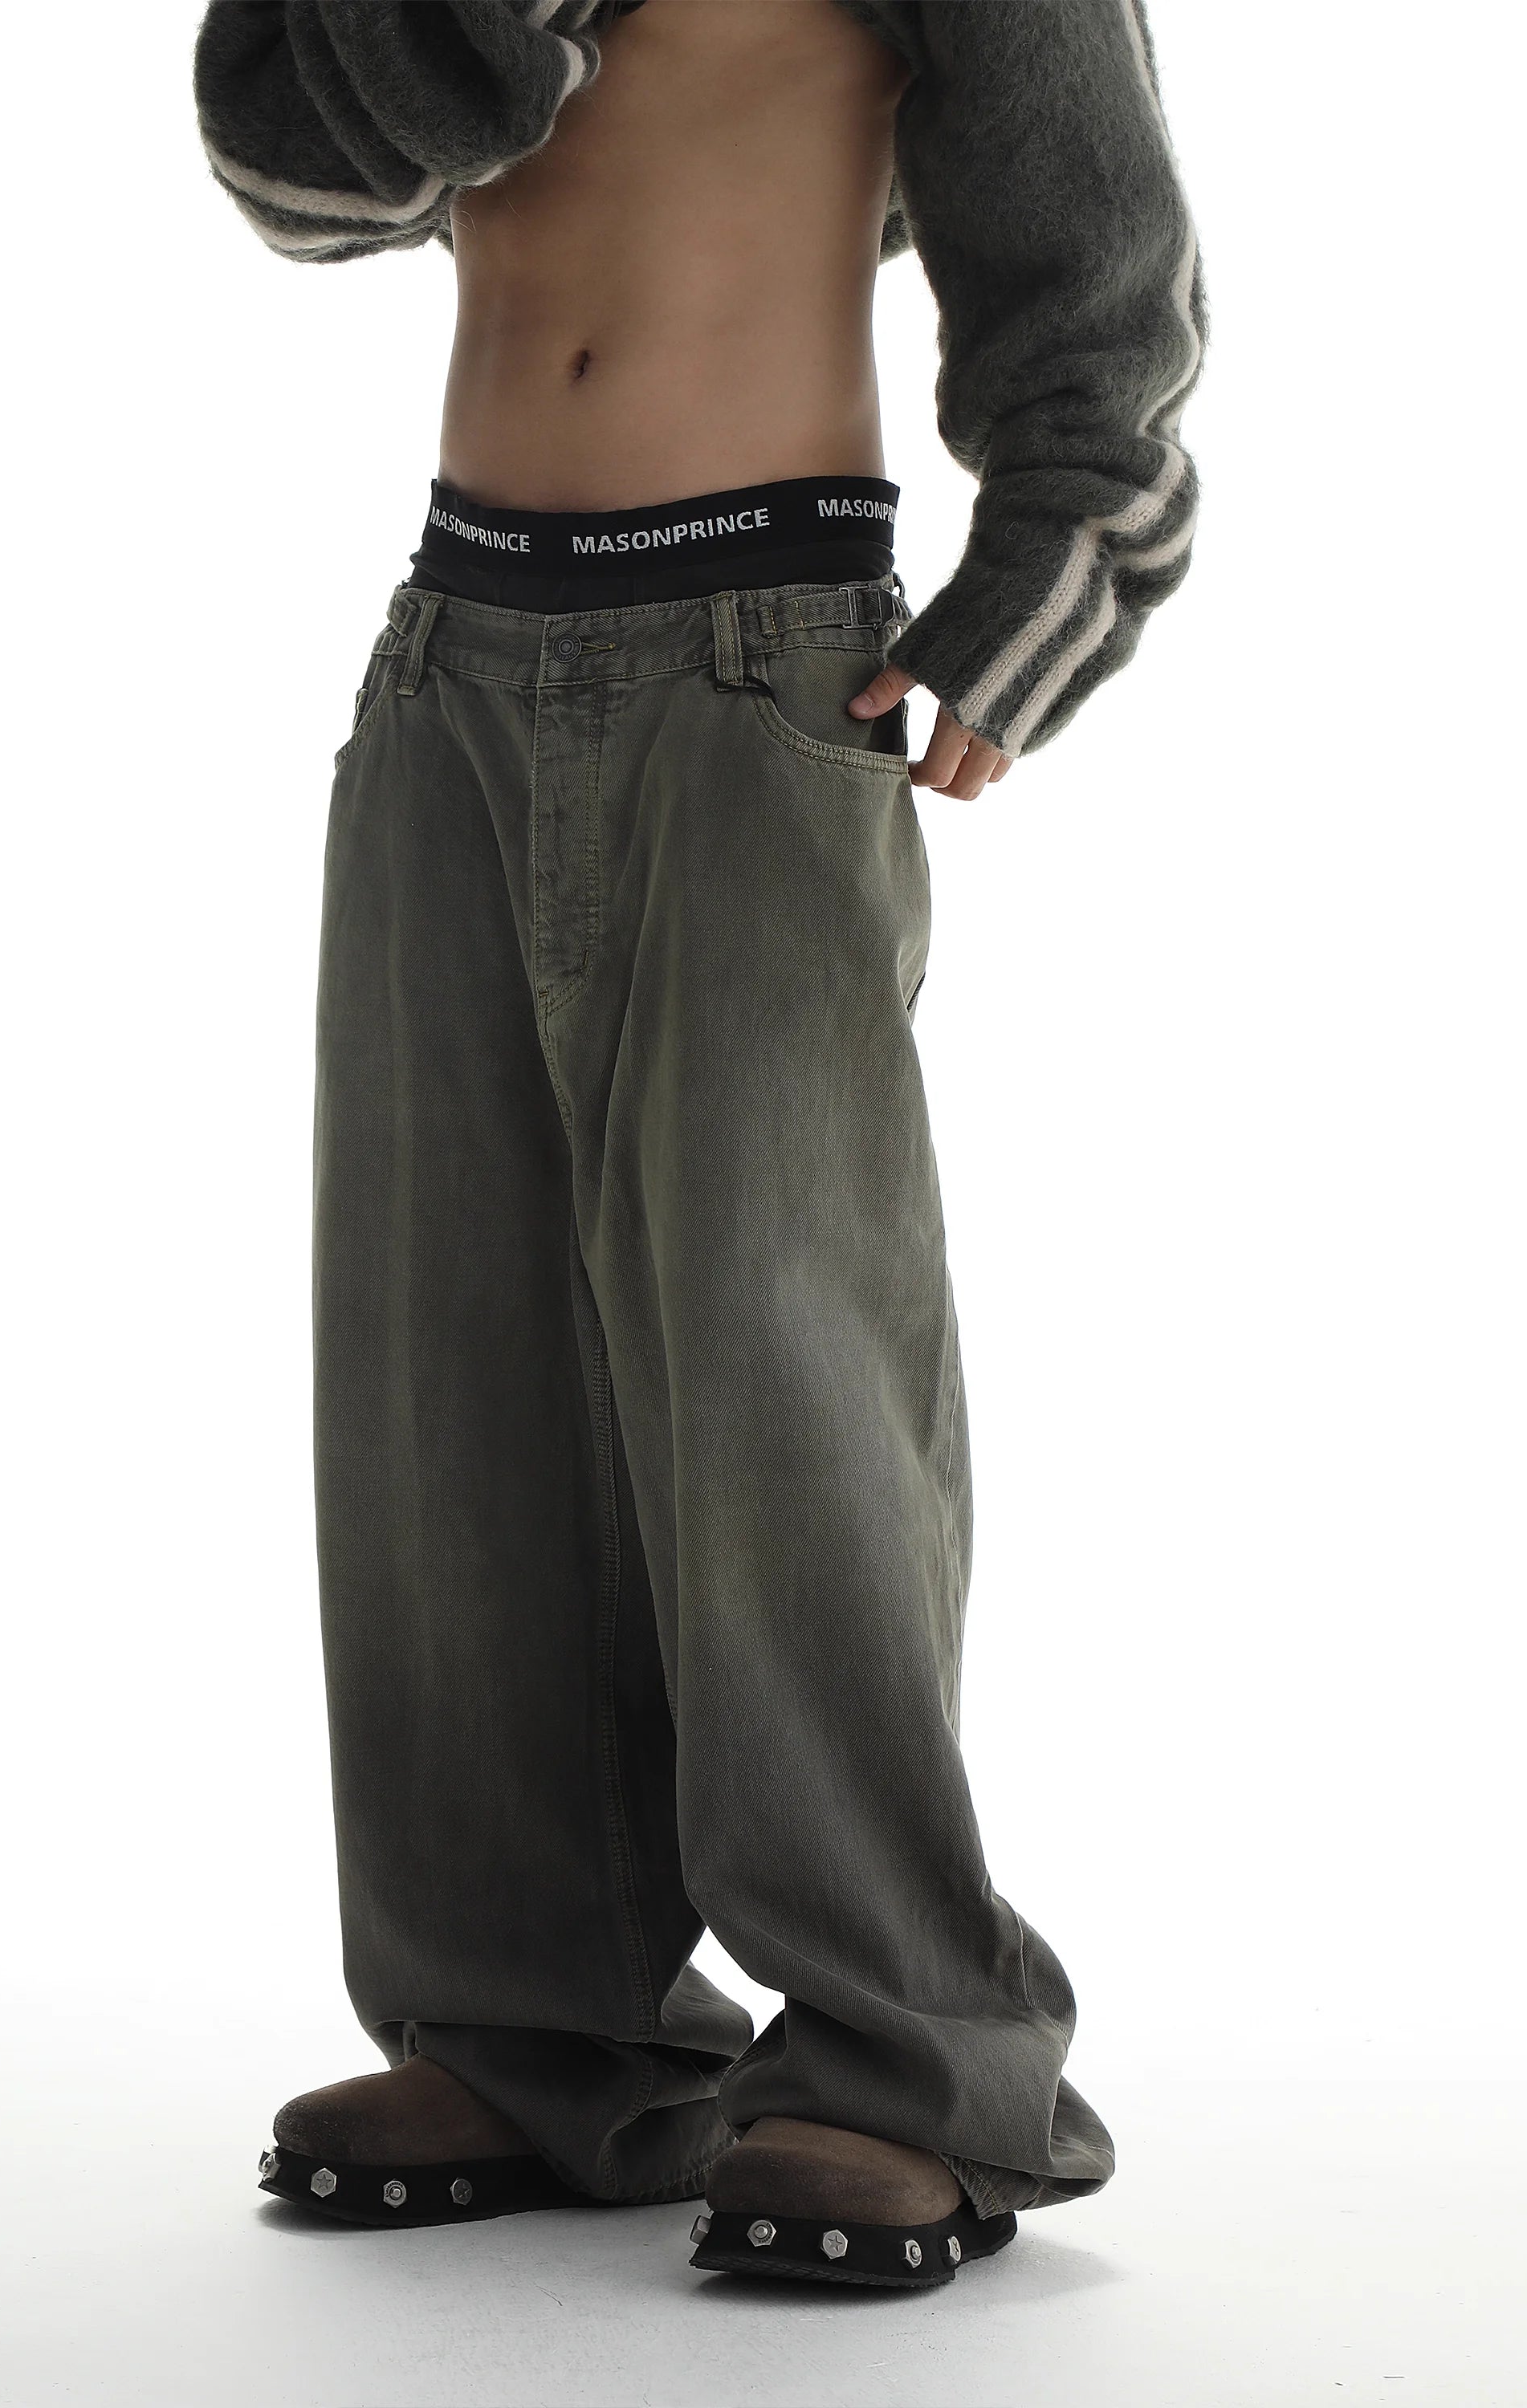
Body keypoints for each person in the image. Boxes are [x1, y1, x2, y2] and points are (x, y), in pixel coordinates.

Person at [193, 0, 1202, 2290]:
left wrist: (1040, 590)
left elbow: (1098, 266)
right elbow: (292, 186)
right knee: (448, 1385)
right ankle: (533, 2029)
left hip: (764, 656)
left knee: (782, 1377)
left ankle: (912, 2068)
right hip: (452, 654)